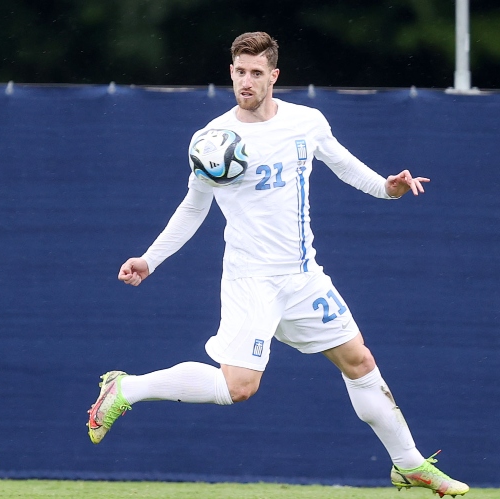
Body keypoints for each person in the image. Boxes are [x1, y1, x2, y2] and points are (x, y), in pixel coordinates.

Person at [87, 31, 469, 497]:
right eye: (239, 72)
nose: (246, 81)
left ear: (274, 76)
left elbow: (347, 167)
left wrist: (388, 188)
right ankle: (126, 389)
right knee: (239, 388)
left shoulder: (306, 122)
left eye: (256, 73)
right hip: (251, 280)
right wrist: (150, 259)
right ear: (231, 72)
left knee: (359, 360)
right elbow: (194, 207)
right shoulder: (212, 140)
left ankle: (409, 464)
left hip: (303, 277)